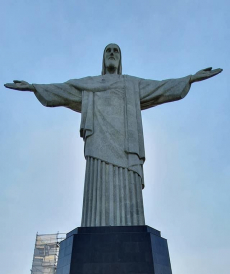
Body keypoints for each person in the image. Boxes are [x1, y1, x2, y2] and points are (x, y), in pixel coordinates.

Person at [5, 47, 222, 228]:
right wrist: (34, 87)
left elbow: (161, 88)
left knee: (130, 200)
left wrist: (191, 79)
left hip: (127, 149)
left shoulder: (132, 84)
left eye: (115, 51)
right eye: (108, 50)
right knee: (95, 200)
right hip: (98, 147)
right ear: (103, 58)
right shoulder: (90, 84)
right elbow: (63, 90)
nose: (111, 53)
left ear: (120, 59)